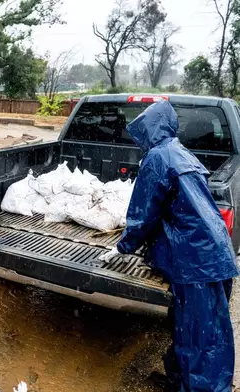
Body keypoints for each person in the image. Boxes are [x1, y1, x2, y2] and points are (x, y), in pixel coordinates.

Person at [99, 100, 238, 392]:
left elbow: (143, 213)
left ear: (151, 130)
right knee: (206, 330)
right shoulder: (180, 152)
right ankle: (180, 382)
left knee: (200, 336)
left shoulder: (158, 158)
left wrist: (123, 247)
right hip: (213, 253)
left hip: (195, 260)